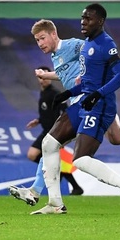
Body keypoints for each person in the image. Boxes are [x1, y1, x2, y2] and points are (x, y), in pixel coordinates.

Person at [10, 17, 120, 211]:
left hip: (90, 100)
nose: (40, 44)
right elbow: (65, 72)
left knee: (54, 144)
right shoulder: (56, 56)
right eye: (37, 40)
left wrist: (91, 75)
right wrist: (48, 75)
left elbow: (95, 54)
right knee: (117, 137)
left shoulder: (74, 45)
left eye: (42, 38)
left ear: (53, 34)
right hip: (95, 101)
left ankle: (43, 195)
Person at [25, 65, 84, 195]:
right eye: (41, 77)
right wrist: (38, 120)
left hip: (54, 131)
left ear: (50, 78)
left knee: (33, 154)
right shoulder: (43, 93)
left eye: (46, 76)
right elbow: (49, 112)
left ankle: (56, 174)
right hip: (46, 129)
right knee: (45, 158)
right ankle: (74, 186)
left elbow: (63, 111)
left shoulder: (54, 93)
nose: (43, 80)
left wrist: (63, 131)